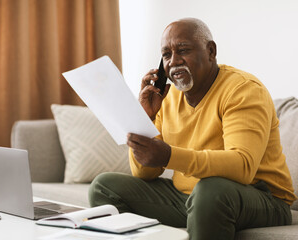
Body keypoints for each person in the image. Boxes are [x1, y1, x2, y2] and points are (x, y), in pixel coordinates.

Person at [88, 18, 297, 239]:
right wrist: (145, 118)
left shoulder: (242, 90)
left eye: (183, 50)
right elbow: (144, 172)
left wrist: (169, 156)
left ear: (211, 51)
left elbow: (242, 167)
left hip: (262, 198)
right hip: (191, 197)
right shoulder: (167, 97)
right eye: (166, 55)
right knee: (104, 186)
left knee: (211, 192)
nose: (174, 61)